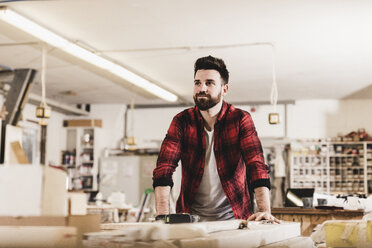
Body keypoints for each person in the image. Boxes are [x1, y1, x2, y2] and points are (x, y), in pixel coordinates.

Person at [152, 55, 279, 222]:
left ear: (224, 89)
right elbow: (164, 168)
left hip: (235, 218)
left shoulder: (240, 119)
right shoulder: (181, 122)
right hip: (191, 220)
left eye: (209, 83)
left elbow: (256, 165)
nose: (201, 88)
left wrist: (264, 210)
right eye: (197, 83)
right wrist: (163, 215)